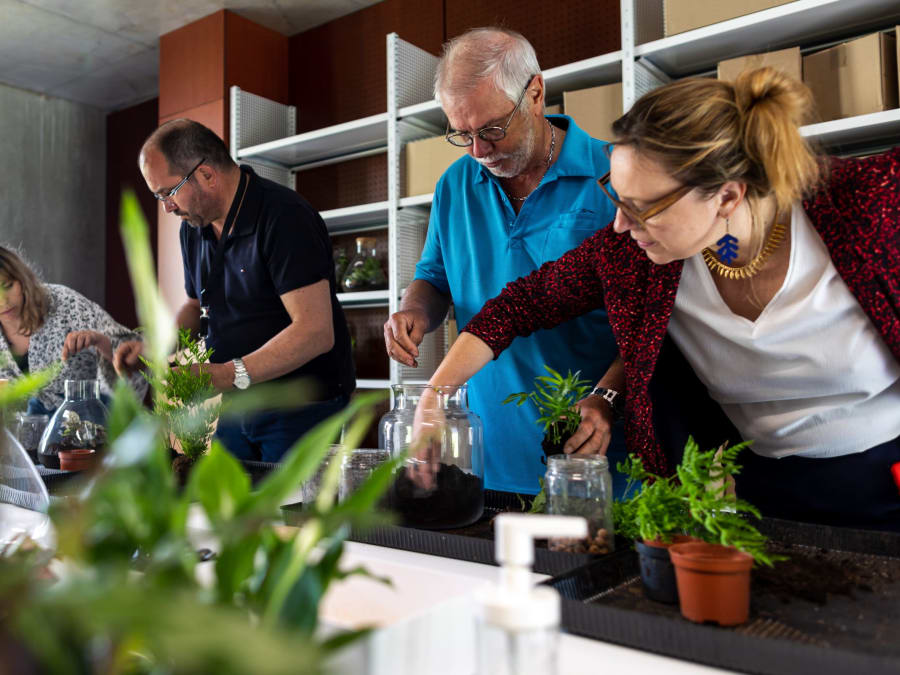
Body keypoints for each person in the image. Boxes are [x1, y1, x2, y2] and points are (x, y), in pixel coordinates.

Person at [415, 67, 900, 533]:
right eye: (617, 196)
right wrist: (434, 398)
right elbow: (521, 305)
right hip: (745, 489)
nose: (621, 224)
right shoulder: (636, 257)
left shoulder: (872, 205)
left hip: (885, 480)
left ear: (727, 197)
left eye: (643, 208)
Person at [383, 27, 625, 496]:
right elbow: (434, 275)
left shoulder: (615, 176)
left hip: (597, 446)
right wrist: (414, 310)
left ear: (535, 91)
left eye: (492, 129)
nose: (478, 150)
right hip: (491, 447)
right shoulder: (455, 184)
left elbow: (656, 320)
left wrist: (608, 397)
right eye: (461, 133)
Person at [117, 119, 355, 463]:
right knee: (232, 512)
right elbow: (195, 303)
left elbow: (316, 331)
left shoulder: (284, 216)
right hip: (233, 403)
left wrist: (226, 374)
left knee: (292, 515)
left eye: (168, 192)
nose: (167, 207)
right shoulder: (193, 227)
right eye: (159, 196)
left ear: (206, 174)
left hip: (299, 407)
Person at [0, 246, 148, 413]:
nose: (3, 300)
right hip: (26, 434)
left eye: (7, 286)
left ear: (22, 279)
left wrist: (98, 340)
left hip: (93, 426)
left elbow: (130, 355)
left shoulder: (63, 303)